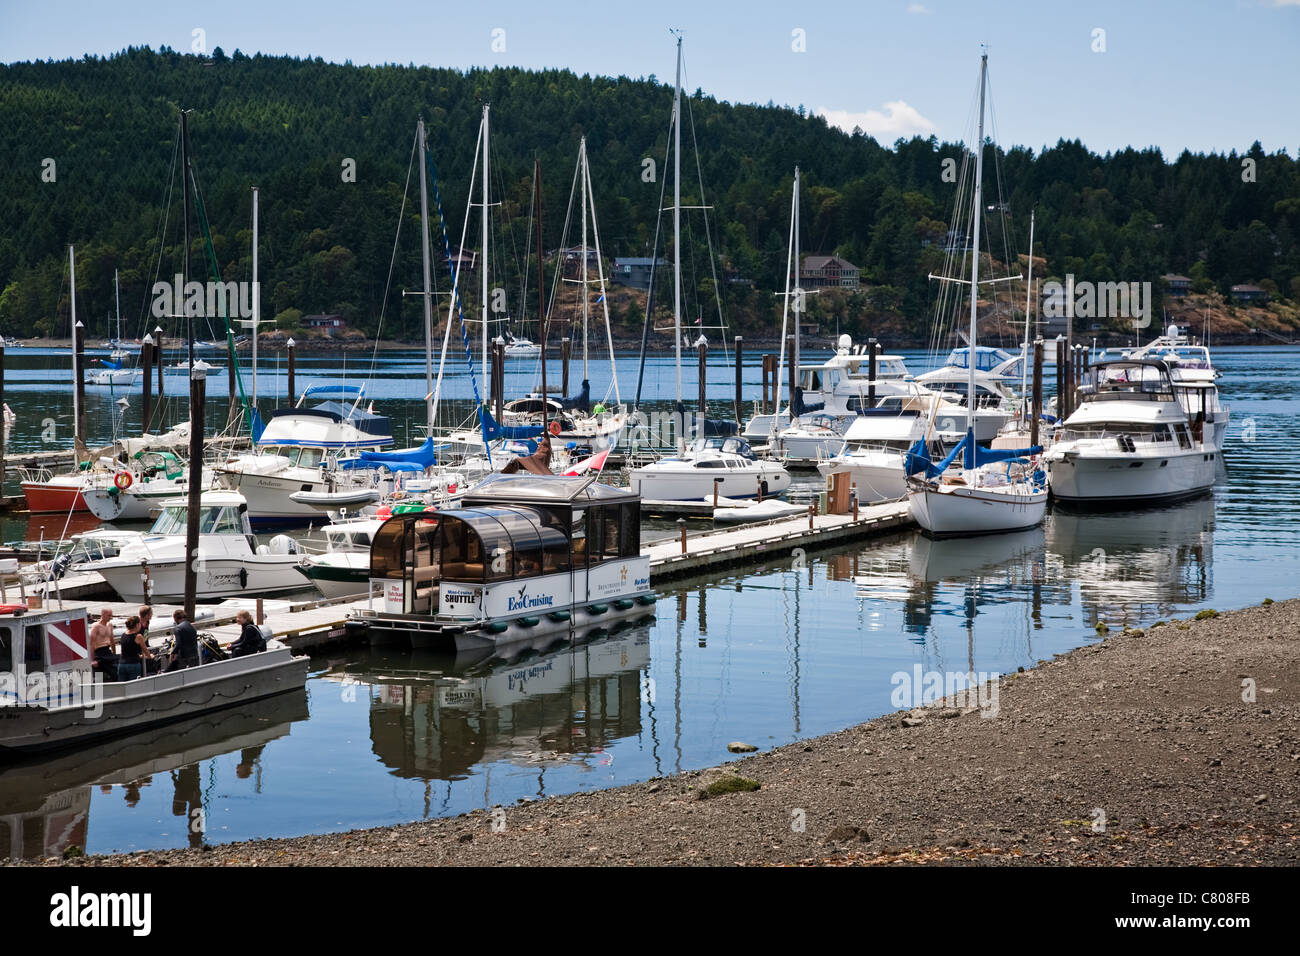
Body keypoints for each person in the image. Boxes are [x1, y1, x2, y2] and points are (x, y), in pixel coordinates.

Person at [118, 615, 153, 681]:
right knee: (134, 686)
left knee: (122, 687)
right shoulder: (138, 636)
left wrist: (140, 656)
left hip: (121, 664)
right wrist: (150, 656)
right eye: (140, 623)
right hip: (133, 665)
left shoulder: (123, 635)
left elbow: (128, 651)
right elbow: (145, 650)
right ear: (137, 625)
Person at [89, 607, 118, 681]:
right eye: (109, 615)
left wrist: (114, 653)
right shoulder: (96, 626)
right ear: (103, 615)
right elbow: (91, 643)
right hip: (99, 652)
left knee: (115, 671)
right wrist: (92, 660)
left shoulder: (110, 625)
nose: (110, 617)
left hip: (107, 650)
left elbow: (112, 641)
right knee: (103, 674)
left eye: (111, 615)